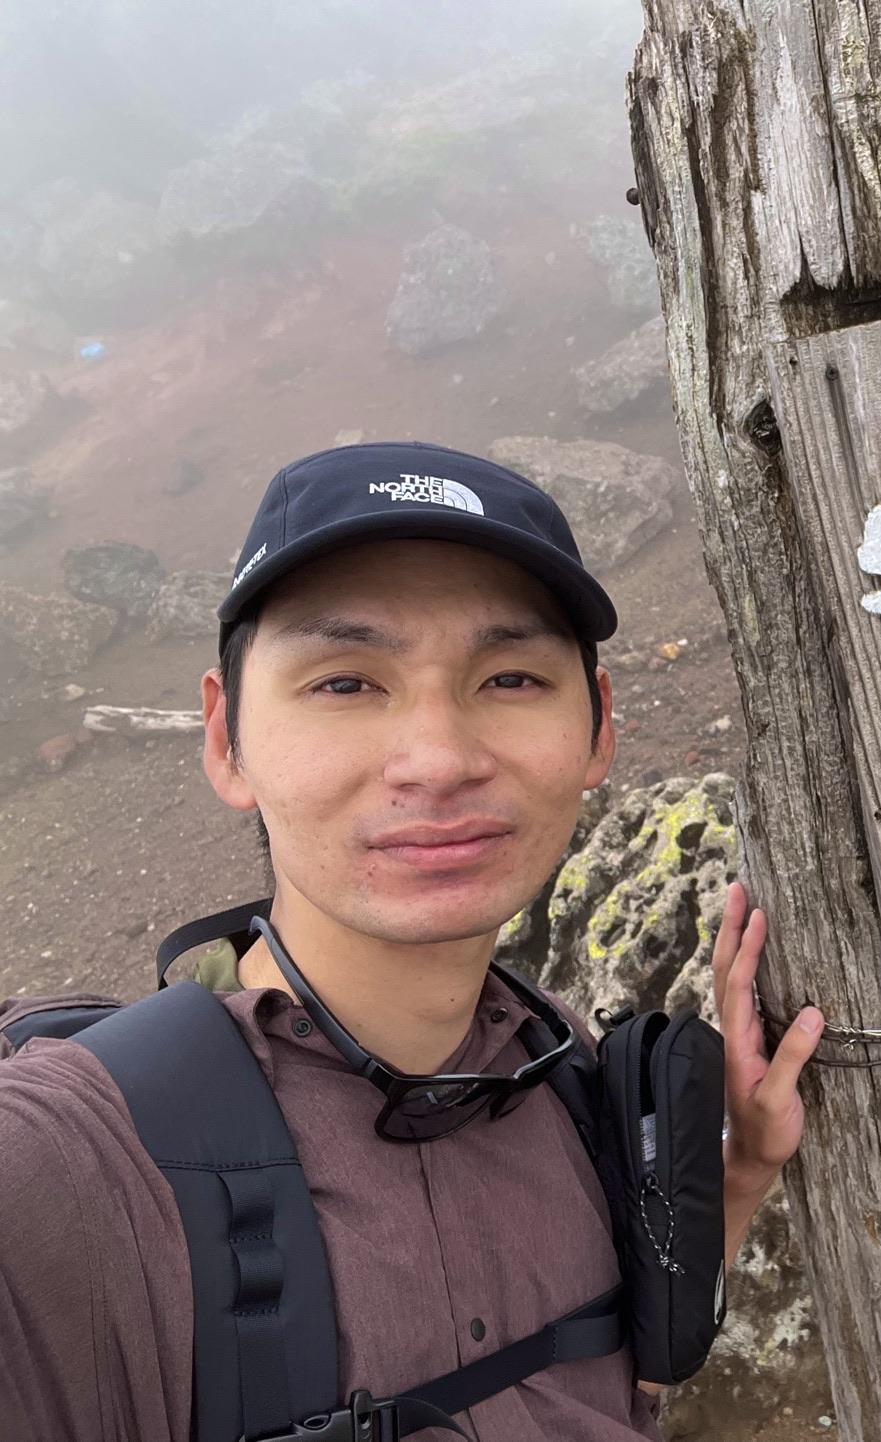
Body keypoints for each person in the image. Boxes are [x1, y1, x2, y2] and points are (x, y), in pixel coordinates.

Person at [0, 441, 824, 1441]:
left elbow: (610, 1386)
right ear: (225, 741)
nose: (437, 759)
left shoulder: (558, 1067)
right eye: (344, 683)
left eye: (511, 677)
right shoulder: (71, 1167)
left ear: (599, 726)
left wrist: (732, 1172)